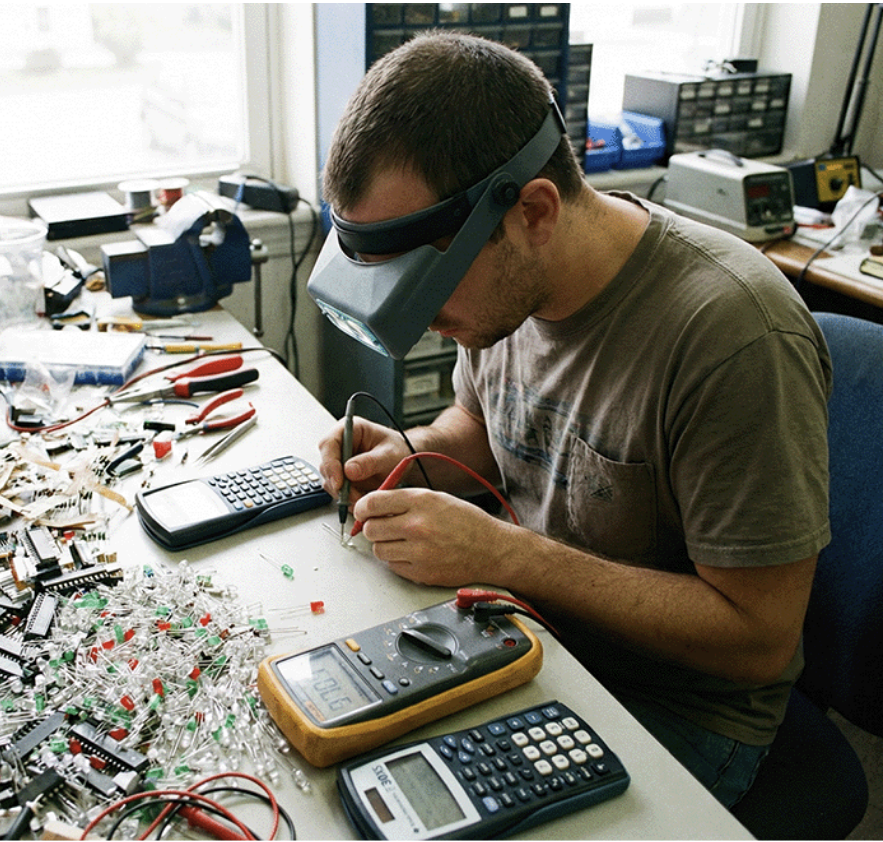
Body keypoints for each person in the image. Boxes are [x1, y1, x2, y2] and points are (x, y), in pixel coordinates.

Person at [314, 31, 832, 809]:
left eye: (430, 293)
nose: (422, 324)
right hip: (533, 632)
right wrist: (408, 452)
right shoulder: (505, 289)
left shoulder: (734, 336)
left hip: (678, 709)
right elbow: (485, 429)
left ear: (534, 212)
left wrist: (512, 556)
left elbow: (758, 639)